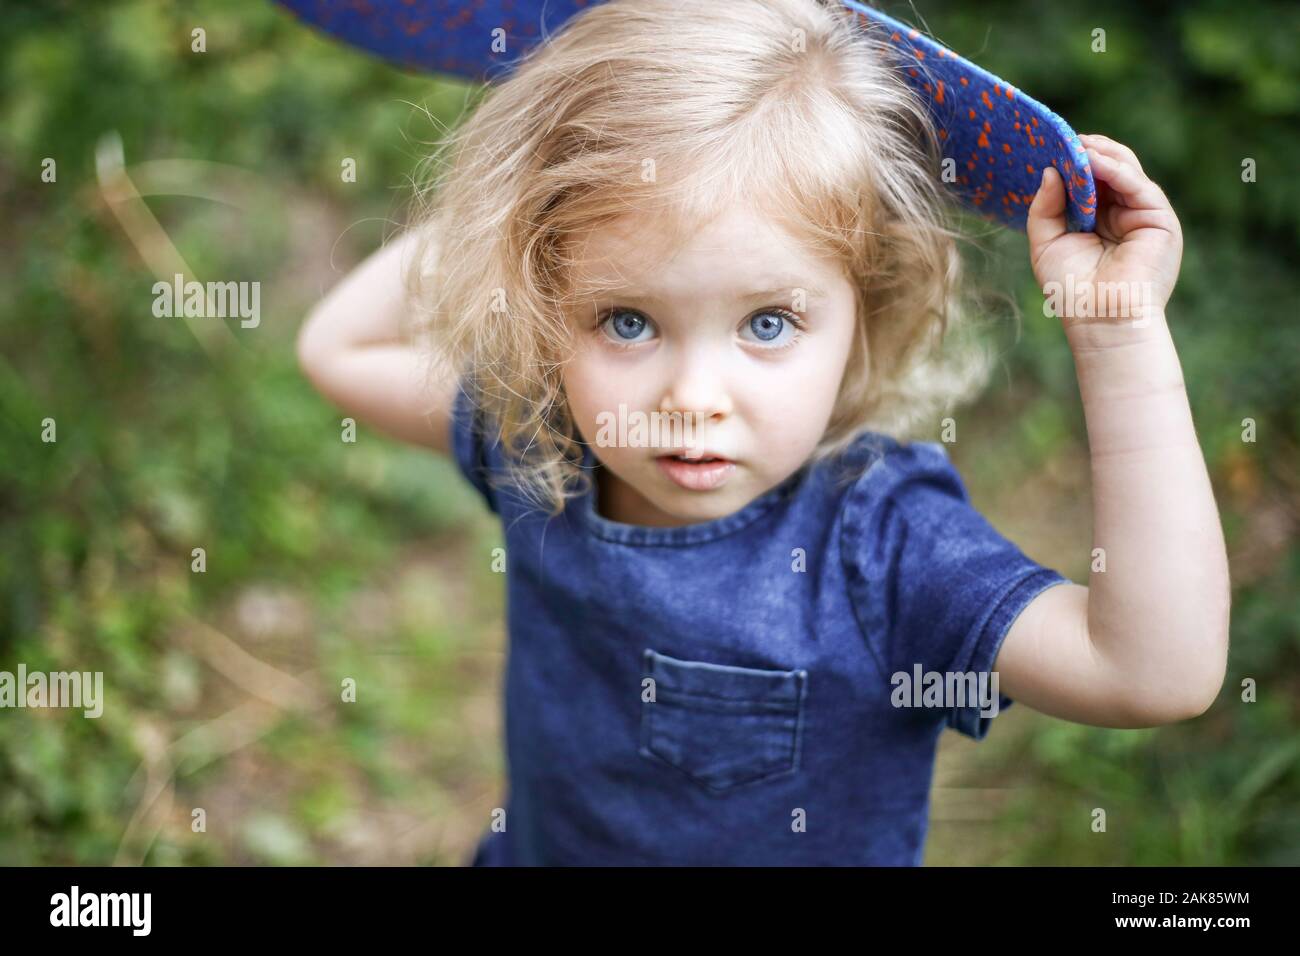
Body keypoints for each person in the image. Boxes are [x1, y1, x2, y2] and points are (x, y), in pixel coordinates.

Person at [296, 0, 1229, 865]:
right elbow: (337, 348)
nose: (693, 398)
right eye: (626, 320)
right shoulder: (540, 443)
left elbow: (1151, 673)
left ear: (865, 311)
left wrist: (1116, 335)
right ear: (543, 305)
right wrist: (525, 152)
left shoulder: (878, 546)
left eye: (768, 324)